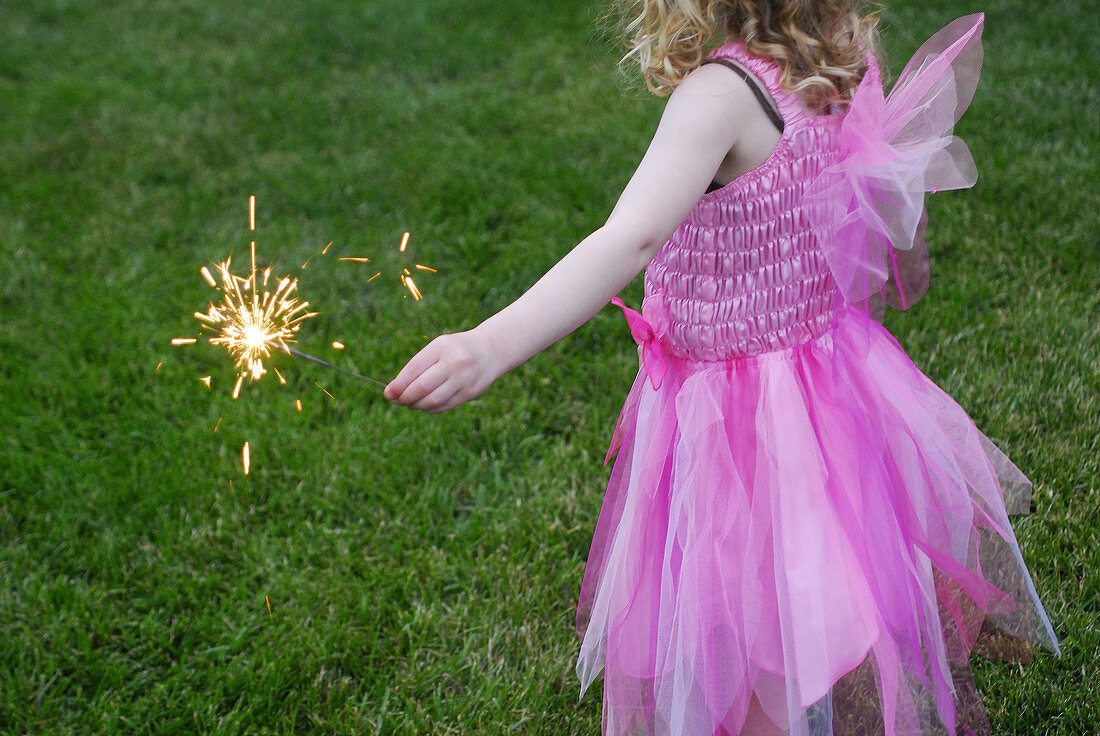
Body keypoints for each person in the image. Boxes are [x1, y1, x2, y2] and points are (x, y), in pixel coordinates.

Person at [384, 2, 1059, 733]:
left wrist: (491, 344)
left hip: (739, 425)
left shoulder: (718, 97)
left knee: (749, 626)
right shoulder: (837, 54)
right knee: (816, 595)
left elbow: (632, 239)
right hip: (825, 387)